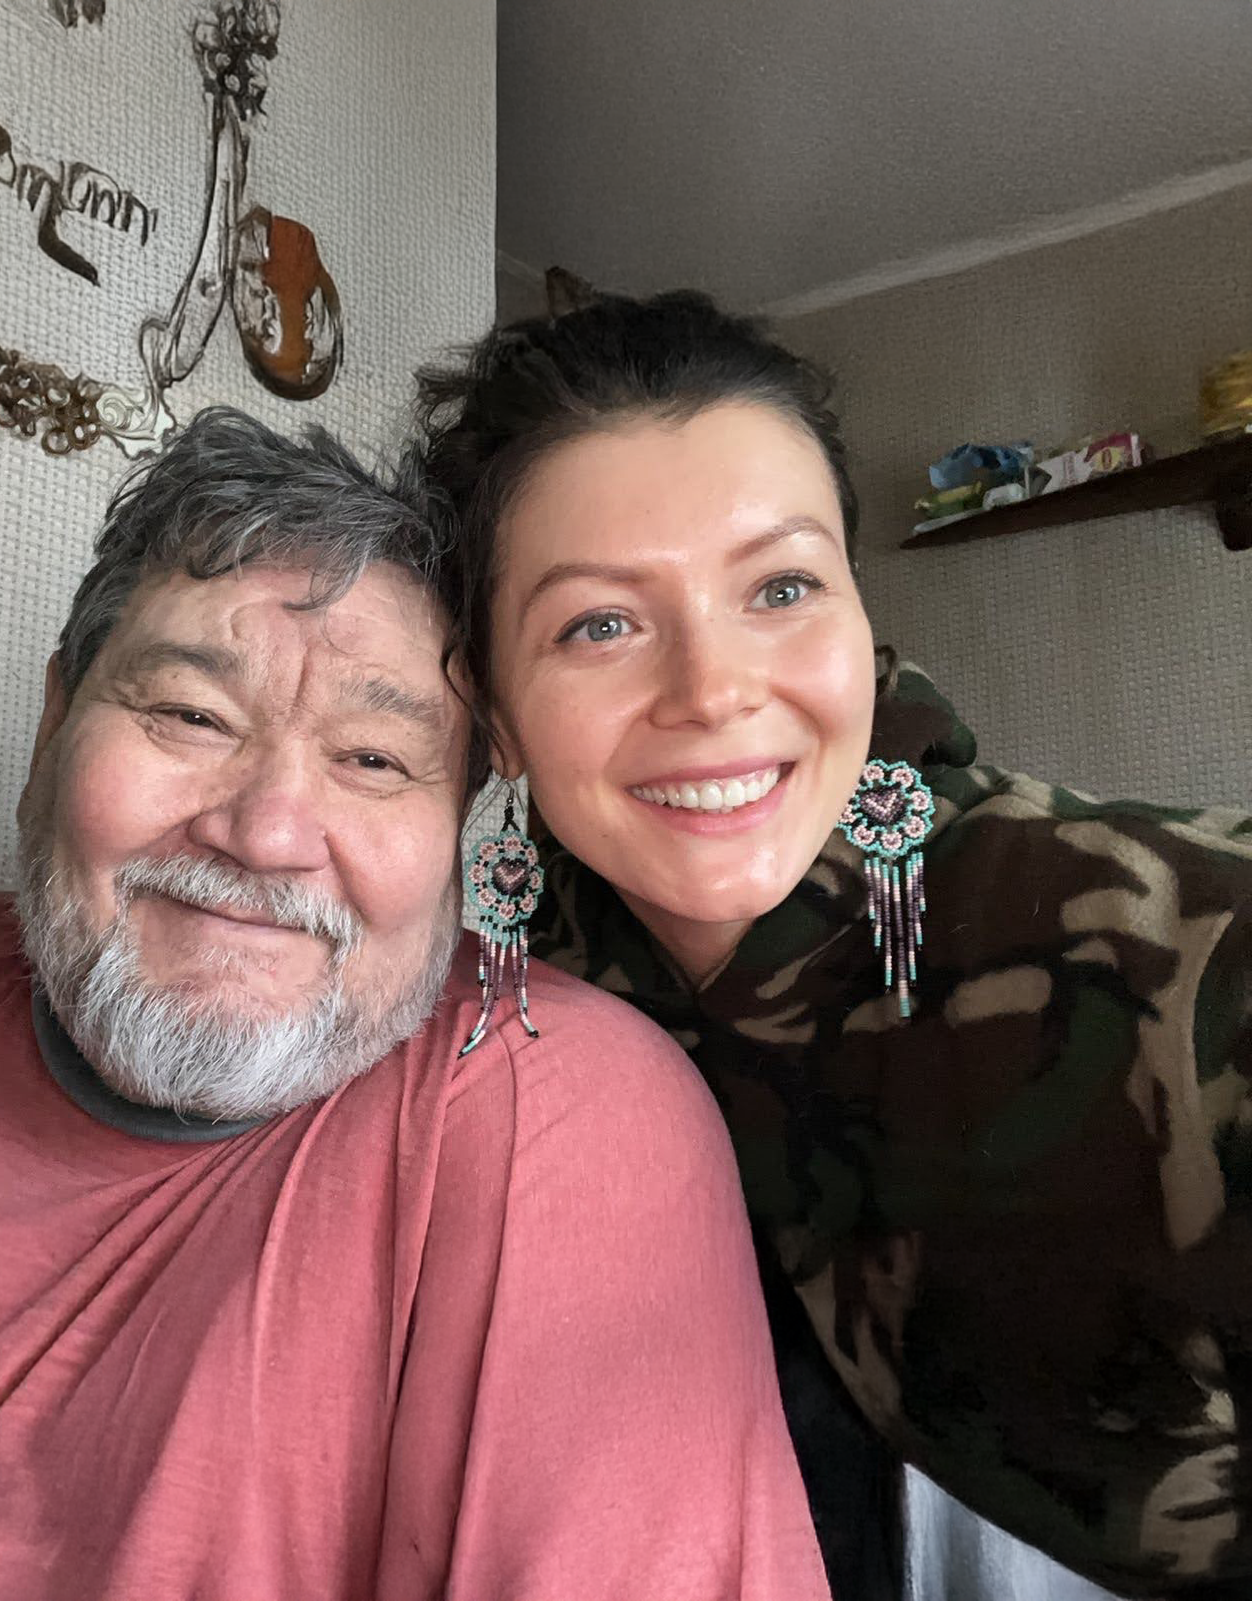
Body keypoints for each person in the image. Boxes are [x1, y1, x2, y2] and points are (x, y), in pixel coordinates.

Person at [0, 407, 829, 1601]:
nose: (265, 832)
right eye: (189, 716)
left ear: (463, 821)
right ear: (55, 722)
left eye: (374, 758)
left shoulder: (553, 1106)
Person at [417, 292, 1252, 1600]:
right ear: (498, 717)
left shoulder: (1179, 967)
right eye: (600, 623)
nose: (711, 691)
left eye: (781, 587)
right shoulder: (522, 964)